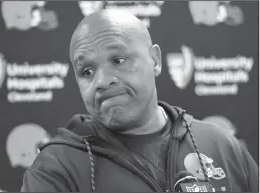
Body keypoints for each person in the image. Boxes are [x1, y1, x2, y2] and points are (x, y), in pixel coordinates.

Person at [21, 10, 258, 192]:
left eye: (118, 60)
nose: (102, 81)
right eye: (87, 71)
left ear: (154, 60)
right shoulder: (55, 169)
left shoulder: (221, 145)